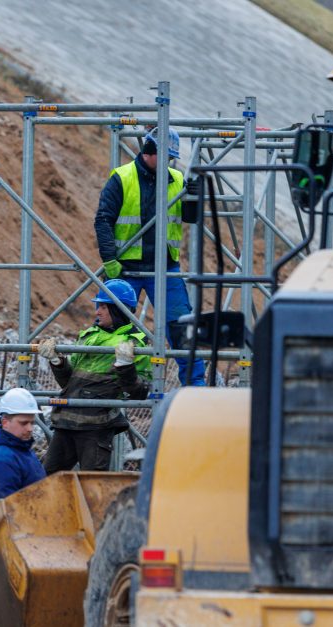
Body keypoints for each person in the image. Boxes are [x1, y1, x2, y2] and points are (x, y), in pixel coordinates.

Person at [94, 126, 206, 386]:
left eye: (172, 158)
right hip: (125, 269)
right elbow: (103, 220)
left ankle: (195, 388)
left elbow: (191, 218)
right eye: (166, 157)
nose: (170, 162)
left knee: (182, 332)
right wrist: (109, 258)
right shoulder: (122, 178)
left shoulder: (177, 179)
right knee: (109, 326)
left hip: (166, 269)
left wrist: (194, 197)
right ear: (149, 151)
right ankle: (97, 383)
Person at [38, 278, 152, 473]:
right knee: (46, 482)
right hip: (66, 421)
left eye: (103, 307)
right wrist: (58, 361)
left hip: (96, 426)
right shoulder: (90, 335)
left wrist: (125, 367)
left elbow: (139, 392)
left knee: (91, 487)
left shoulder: (135, 343)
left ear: (119, 309)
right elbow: (69, 382)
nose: (97, 312)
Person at [0, 388, 46, 518]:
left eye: (32, 423)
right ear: (5, 422)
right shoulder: (0, 460)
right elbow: (5, 515)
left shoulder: (22, 451)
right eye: (24, 423)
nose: (30, 429)